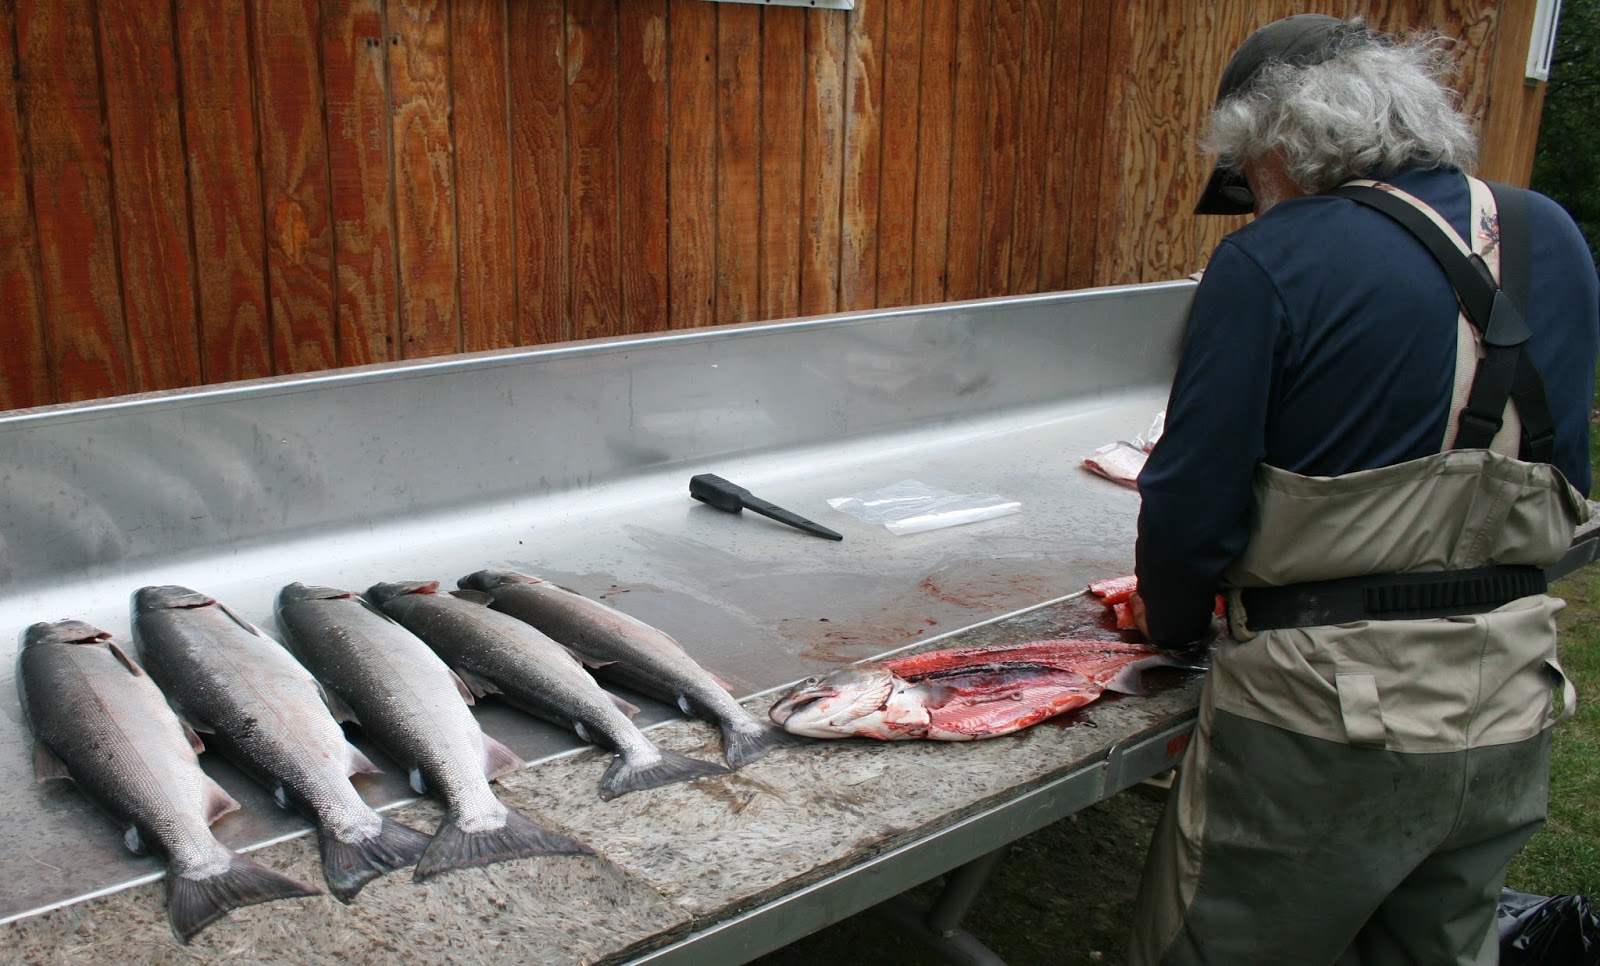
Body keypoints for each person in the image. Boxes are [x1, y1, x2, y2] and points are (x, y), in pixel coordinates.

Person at [1124, 14, 1600, 965]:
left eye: (1248, 176)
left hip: (1323, 724)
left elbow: (1189, 501)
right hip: (1509, 693)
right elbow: (1565, 486)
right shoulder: (1547, 232)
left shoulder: (1270, 259)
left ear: (1280, 145)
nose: (1255, 204)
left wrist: (1173, 625)